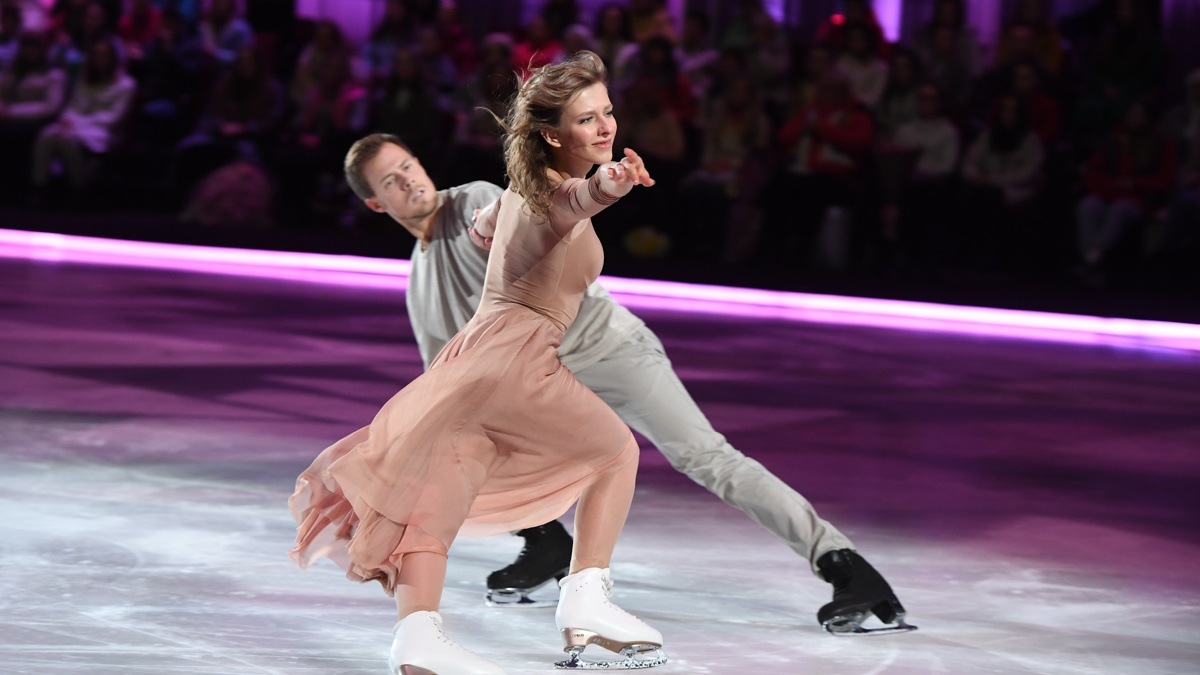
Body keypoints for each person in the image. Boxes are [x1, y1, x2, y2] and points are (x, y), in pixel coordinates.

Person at [351, 90, 911, 644]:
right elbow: (445, 378)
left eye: (408, 166)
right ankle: (546, 542)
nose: (409, 181)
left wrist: (599, 187)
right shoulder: (419, 284)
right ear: (377, 204)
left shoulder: (473, 199)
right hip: (544, 380)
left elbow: (538, 206)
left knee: (705, 457)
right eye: (390, 182)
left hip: (610, 351)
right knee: (466, 441)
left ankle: (842, 563)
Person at [290, 52, 668, 674]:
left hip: (472, 359)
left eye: (607, 112)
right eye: (586, 119)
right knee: (615, 453)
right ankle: (584, 603)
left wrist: (494, 224)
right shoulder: (555, 193)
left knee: (437, 497)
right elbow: (579, 199)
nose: (605, 127)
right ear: (553, 134)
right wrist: (612, 186)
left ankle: (418, 639)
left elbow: (493, 224)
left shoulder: (518, 192)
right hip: (518, 356)